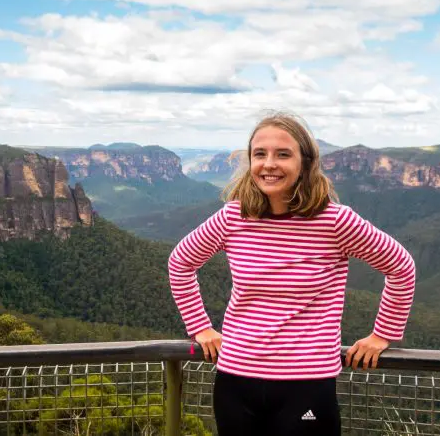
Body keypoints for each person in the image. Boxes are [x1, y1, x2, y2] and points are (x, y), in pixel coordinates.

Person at [168, 111, 417, 436]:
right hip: (235, 380)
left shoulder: (335, 222)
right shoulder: (233, 217)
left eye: (283, 154)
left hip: (307, 385)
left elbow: (401, 267)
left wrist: (382, 334)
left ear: (305, 163)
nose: (269, 164)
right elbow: (180, 263)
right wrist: (200, 328)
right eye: (260, 154)